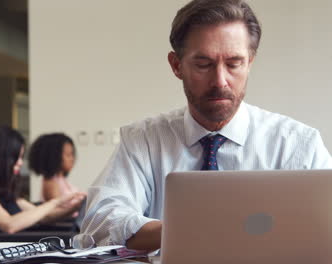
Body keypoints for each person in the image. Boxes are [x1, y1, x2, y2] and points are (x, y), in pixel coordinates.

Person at [80, 0, 332, 251]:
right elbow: (101, 223)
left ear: (250, 63)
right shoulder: (143, 141)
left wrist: (198, 230)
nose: (220, 81)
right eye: (203, 64)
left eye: (234, 63)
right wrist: (208, 229)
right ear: (176, 65)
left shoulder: (299, 144)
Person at [0, 126, 85, 233]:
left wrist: (77, 206)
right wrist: (55, 202)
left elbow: (45, 217)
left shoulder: (8, 194)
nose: (20, 163)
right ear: (2, 159)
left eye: (21, 157)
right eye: (16, 158)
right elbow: (9, 225)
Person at [28, 133, 85, 202]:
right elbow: (57, 210)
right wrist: (78, 205)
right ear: (54, 157)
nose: (72, 159)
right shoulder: (51, 183)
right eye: (68, 155)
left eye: (72, 154)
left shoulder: (61, 179)